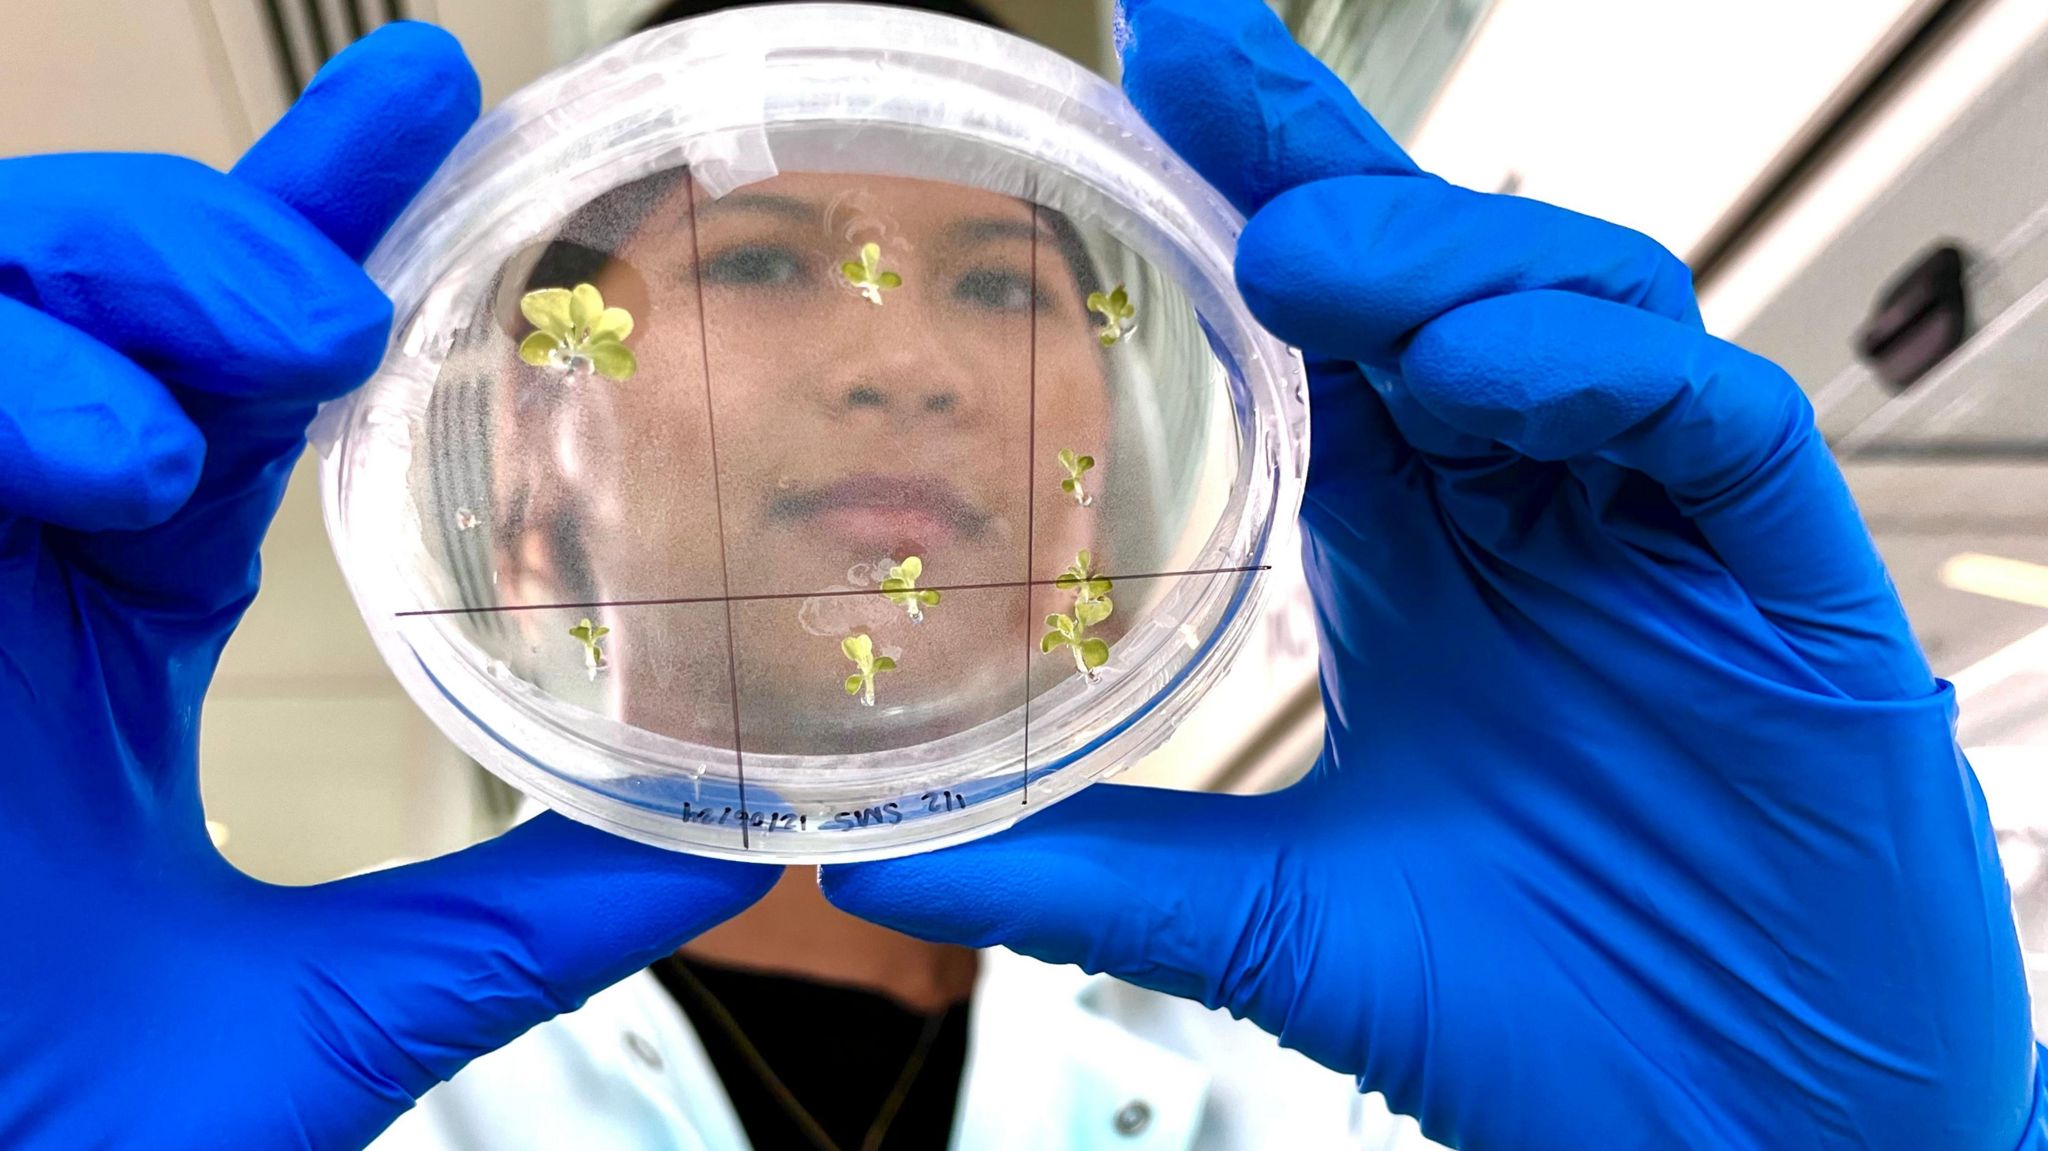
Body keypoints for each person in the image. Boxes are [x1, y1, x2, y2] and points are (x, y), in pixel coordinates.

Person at [0, 0, 2038, 1148]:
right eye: (766, 265)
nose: (912, 358)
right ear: (525, 456)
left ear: (1096, 480)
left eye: (1004, 283)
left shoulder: (1354, 1102)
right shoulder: (274, 1096)